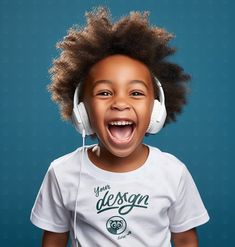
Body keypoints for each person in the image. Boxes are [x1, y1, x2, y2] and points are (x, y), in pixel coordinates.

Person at [30, 7, 209, 247]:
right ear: (82, 112)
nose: (120, 103)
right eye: (104, 92)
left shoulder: (173, 172)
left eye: (136, 92)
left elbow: (186, 239)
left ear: (156, 110)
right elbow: (54, 240)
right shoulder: (62, 173)